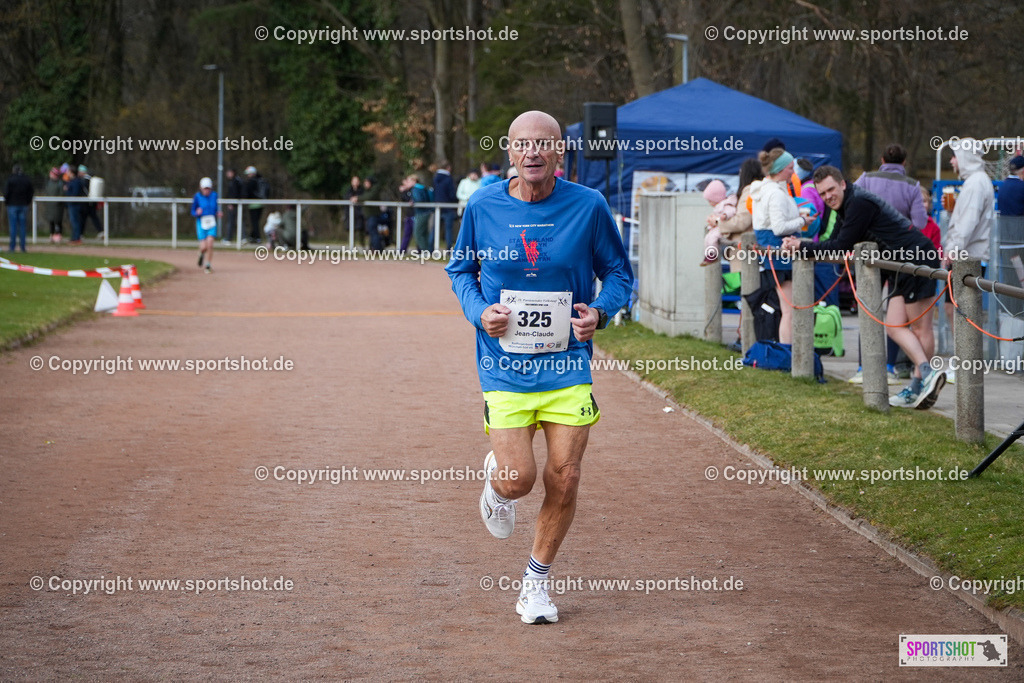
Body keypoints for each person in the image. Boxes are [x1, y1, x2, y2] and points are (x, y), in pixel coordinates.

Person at [446, 110, 633, 625]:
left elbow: (618, 273)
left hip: (568, 366)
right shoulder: (483, 204)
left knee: (566, 478)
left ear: (560, 153)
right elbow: (460, 268)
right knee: (517, 481)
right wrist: (478, 311)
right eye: (522, 144)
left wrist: (599, 311)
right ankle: (496, 484)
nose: (532, 153)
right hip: (503, 366)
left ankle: (536, 584)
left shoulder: (589, 206)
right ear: (509, 151)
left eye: (543, 145)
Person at [782, 166, 946, 409]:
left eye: (831, 190)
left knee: (920, 327)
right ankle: (920, 380)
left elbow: (842, 245)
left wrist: (803, 248)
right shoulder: (844, 208)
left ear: (843, 184)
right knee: (893, 327)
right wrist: (802, 243)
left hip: (915, 258)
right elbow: (833, 242)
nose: (828, 197)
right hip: (899, 265)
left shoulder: (858, 203)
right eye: (823, 193)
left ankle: (924, 378)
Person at [848, 144, 929, 384]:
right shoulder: (912, 186)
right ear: (904, 163)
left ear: (882, 159)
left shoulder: (865, 178)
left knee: (869, 307)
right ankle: (890, 366)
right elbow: (920, 222)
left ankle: (864, 366)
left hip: (870, 251)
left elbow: (853, 207)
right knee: (896, 313)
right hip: (900, 253)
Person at [749, 148, 815, 343]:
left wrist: (797, 216)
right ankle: (788, 354)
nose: (793, 173)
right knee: (789, 311)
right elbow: (778, 228)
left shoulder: (767, 190)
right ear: (778, 170)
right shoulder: (776, 194)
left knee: (788, 309)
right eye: (789, 168)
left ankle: (788, 353)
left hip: (774, 256)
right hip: (779, 257)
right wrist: (802, 222)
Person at [699, 179, 736, 266]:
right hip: (718, 226)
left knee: (713, 238)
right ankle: (708, 254)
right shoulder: (719, 206)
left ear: (716, 198)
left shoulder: (726, 204)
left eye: (710, 201)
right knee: (707, 238)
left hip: (723, 228)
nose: (710, 203)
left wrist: (724, 216)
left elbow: (731, 211)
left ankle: (712, 255)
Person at [191, 177, 220, 273]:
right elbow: (193, 211)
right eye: (205, 188)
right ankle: (201, 254)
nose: (206, 190)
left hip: (211, 221)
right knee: (204, 247)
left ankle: (208, 265)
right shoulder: (197, 197)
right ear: (201, 188)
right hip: (201, 222)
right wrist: (196, 213)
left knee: (210, 244)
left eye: (208, 188)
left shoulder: (214, 195)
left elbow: (215, 208)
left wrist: (218, 212)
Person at [4, 164, 33, 253]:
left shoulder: (10, 179)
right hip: (24, 205)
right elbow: (31, 191)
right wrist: (27, 201)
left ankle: (12, 247)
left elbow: (6, 192)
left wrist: (7, 202)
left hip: (12, 205)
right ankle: (23, 247)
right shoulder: (26, 179)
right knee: (23, 227)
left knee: (13, 227)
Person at [433, 161, 458, 250]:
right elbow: (452, 194)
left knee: (434, 229)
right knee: (448, 230)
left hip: (437, 206)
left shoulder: (435, 178)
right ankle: (448, 249)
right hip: (448, 207)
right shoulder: (449, 179)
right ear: (448, 168)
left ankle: (429, 248)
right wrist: (455, 201)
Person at [244, 166, 268, 243]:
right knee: (256, 221)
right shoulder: (261, 180)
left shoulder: (252, 181)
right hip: (261, 203)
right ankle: (253, 236)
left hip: (254, 204)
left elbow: (248, 193)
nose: (247, 176)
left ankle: (257, 237)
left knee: (254, 221)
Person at [361, 176, 386, 251]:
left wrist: (357, 198)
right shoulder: (366, 190)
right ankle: (373, 248)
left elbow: (369, 197)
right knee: (371, 232)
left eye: (367, 182)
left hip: (373, 215)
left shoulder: (374, 190)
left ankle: (378, 249)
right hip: (368, 215)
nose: (365, 184)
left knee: (373, 231)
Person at [78, 165, 103, 238]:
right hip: (92, 202)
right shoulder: (91, 179)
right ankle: (100, 231)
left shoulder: (83, 180)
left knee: (83, 218)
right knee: (93, 217)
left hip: (86, 203)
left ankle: (80, 233)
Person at [411, 171, 433, 253]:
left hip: (421, 213)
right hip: (427, 212)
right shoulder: (422, 188)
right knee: (424, 233)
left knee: (418, 233)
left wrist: (413, 201)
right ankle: (428, 250)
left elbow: (419, 200)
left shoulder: (415, 189)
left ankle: (425, 250)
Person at [65, 166, 86, 244]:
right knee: (73, 221)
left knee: (75, 221)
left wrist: (67, 190)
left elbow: (75, 193)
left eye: (69, 172)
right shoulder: (71, 181)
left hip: (75, 204)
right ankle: (74, 237)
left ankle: (77, 238)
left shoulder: (76, 181)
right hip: (71, 204)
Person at [44, 167, 64, 243]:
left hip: (57, 206)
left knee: (58, 221)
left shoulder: (60, 183)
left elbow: (61, 194)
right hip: (50, 206)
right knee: (51, 221)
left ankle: (59, 235)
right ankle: (51, 235)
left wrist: (58, 201)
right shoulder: (49, 183)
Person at [222, 168, 243, 243]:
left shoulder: (235, 181)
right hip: (235, 204)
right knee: (238, 221)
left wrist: (232, 203)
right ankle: (242, 237)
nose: (227, 174)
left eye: (229, 172)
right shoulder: (234, 181)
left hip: (235, 205)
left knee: (232, 222)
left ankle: (229, 238)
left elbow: (235, 193)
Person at [346, 175, 365, 246]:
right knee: (350, 230)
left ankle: (361, 246)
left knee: (360, 231)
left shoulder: (362, 191)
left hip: (359, 214)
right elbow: (346, 197)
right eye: (354, 181)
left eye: (357, 181)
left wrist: (357, 198)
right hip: (350, 214)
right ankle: (351, 246)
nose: (356, 183)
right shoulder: (348, 190)